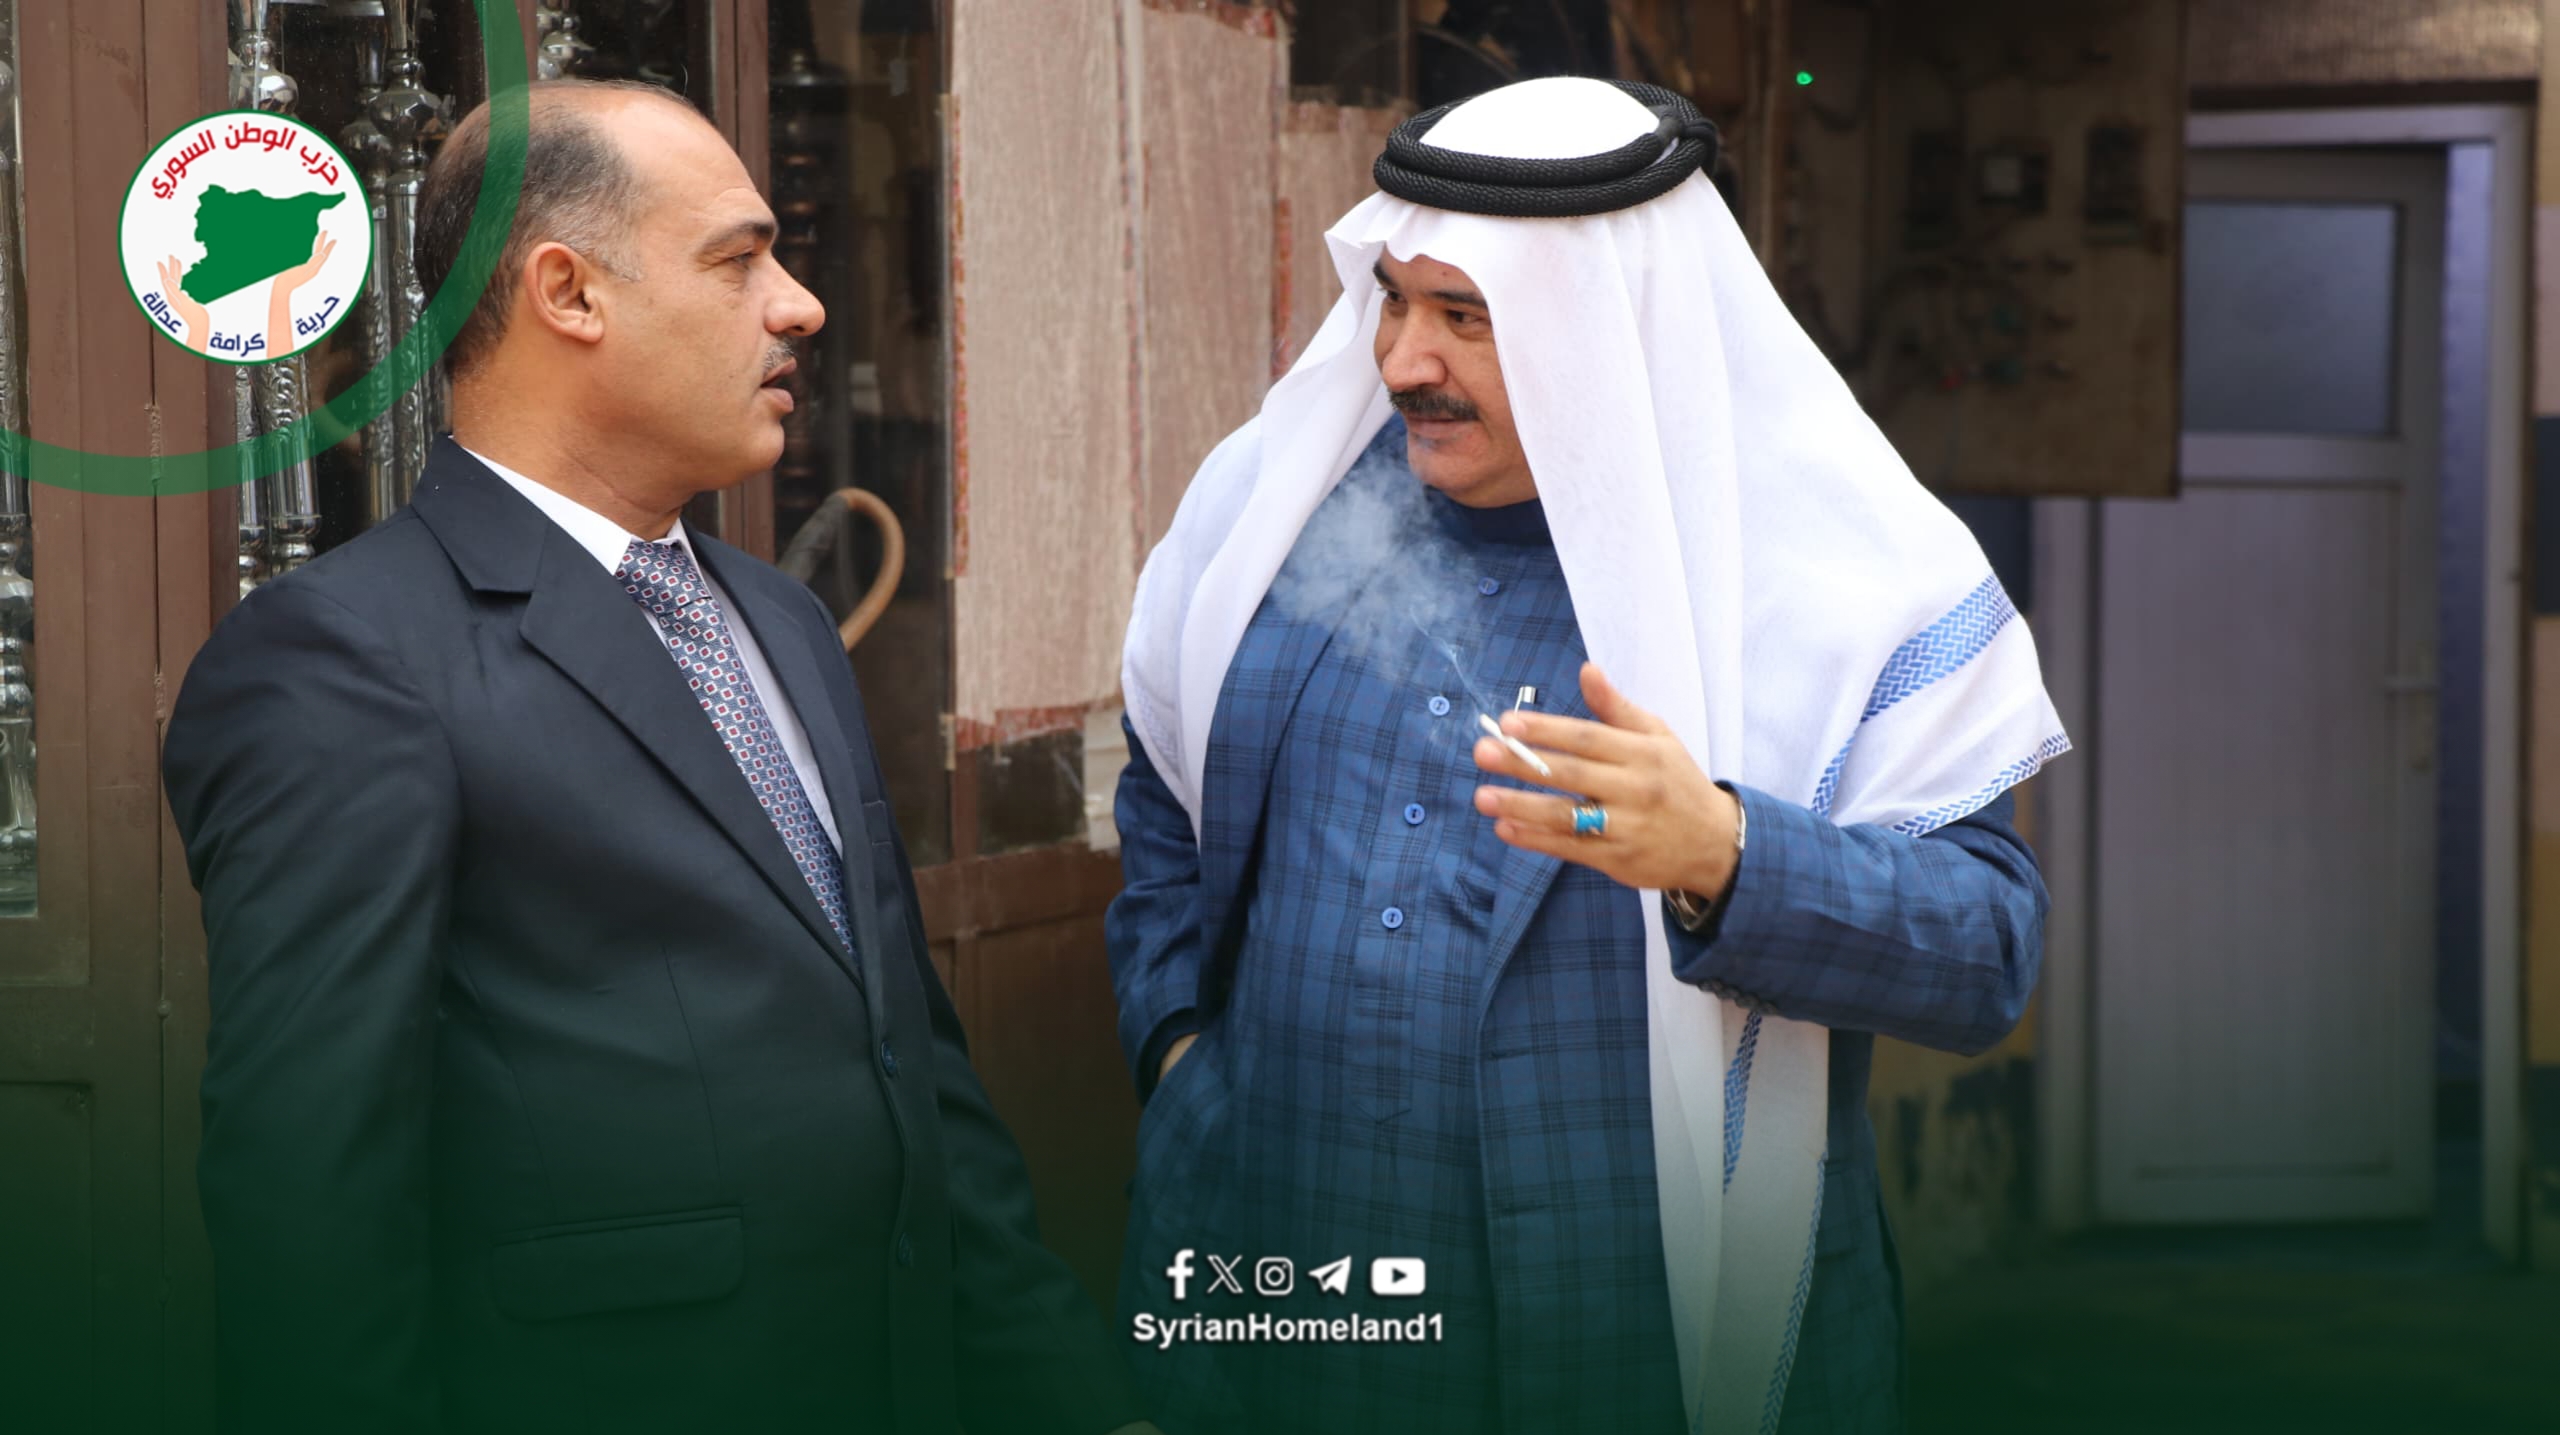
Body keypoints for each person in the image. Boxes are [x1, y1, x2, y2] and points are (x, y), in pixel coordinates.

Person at [163, 79, 1152, 1435]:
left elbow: (914, 1076)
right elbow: (310, 1212)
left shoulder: (784, 623)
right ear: (568, 293)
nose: (800, 307)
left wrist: (1080, 1401)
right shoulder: (341, 660)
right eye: (739, 262)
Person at [1108, 77, 2065, 1434]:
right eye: (1393, 299)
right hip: (1285, 1282)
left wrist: (1727, 854)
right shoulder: (1275, 516)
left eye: (1466, 317)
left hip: (1631, 1316)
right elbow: (1162, 801)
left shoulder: (1821, 577)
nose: (1403, 362)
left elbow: (1985, 954)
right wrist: (1177, 1054)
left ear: (1608, 326)